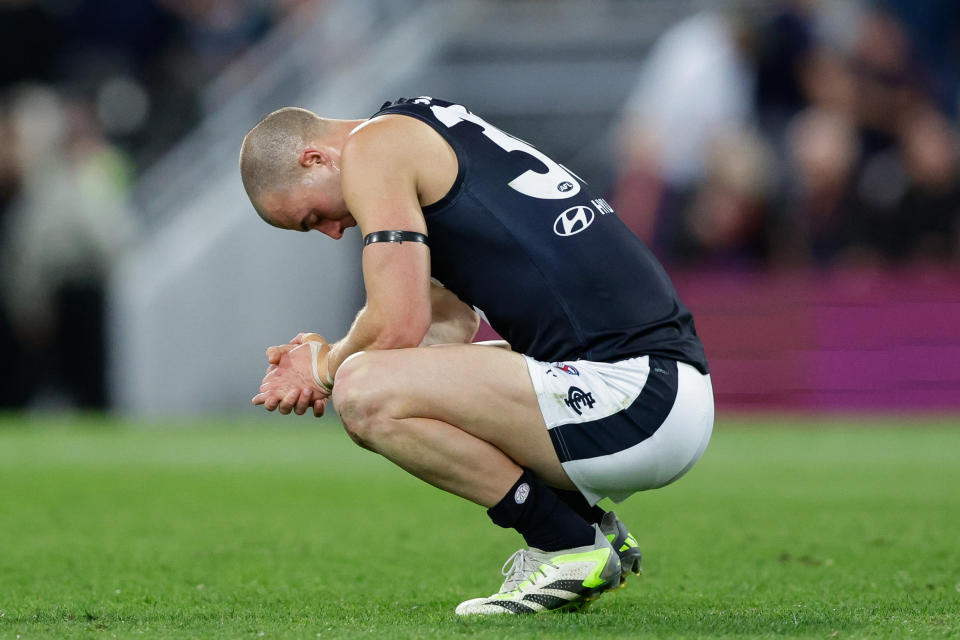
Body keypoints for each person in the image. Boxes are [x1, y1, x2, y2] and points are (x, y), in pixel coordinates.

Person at [239, 97, 714, 615]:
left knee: (362, 392)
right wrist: (339, 358)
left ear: (315, 159)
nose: (332, 232)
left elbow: (397, 325)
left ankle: (568, 546)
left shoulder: (371, 149)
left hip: (636, 398)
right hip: (659, 389)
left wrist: (325, 367)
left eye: (311, 218)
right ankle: (587, 525)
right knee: (374, 381)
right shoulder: (417, 126)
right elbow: (448, 324)